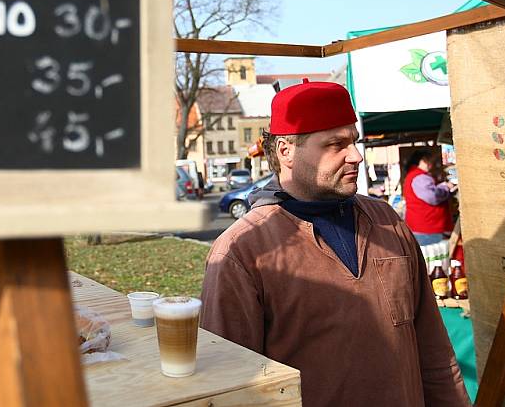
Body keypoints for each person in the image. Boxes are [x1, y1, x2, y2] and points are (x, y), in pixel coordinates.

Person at [200, 81, 469, 407]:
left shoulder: (387, 221)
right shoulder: (242, 251)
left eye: (353, 141)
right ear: (286, 151)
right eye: (335, 144)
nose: (355, 155)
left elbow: (434, 351)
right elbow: (231, 388)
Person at [403, 150, 456, 246]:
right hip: (427, 228)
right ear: (423, 161)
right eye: (430, 161)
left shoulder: (413, 176)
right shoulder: (419, 177)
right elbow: (433, 197)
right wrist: (446, 187)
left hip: (422, 227)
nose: (432, 164)